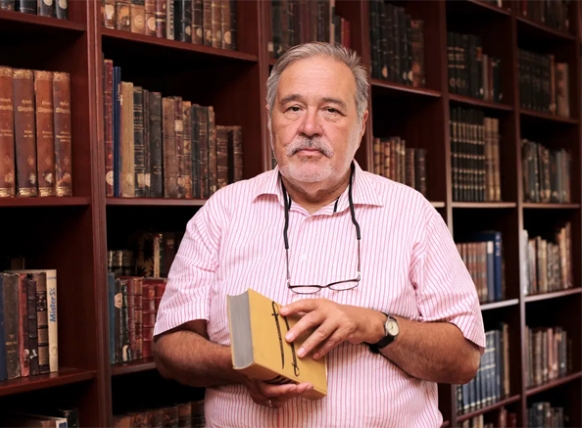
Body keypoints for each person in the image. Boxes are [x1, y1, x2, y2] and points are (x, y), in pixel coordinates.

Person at [152, 42, 485, 427]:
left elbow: (464, 360)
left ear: (361, 123)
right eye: (293, 108)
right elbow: (169, 349)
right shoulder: (221, 213)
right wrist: (241, 366)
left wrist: (373, 325)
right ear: (271, 118)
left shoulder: (413, 214)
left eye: (331, 110)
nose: (309, 127)